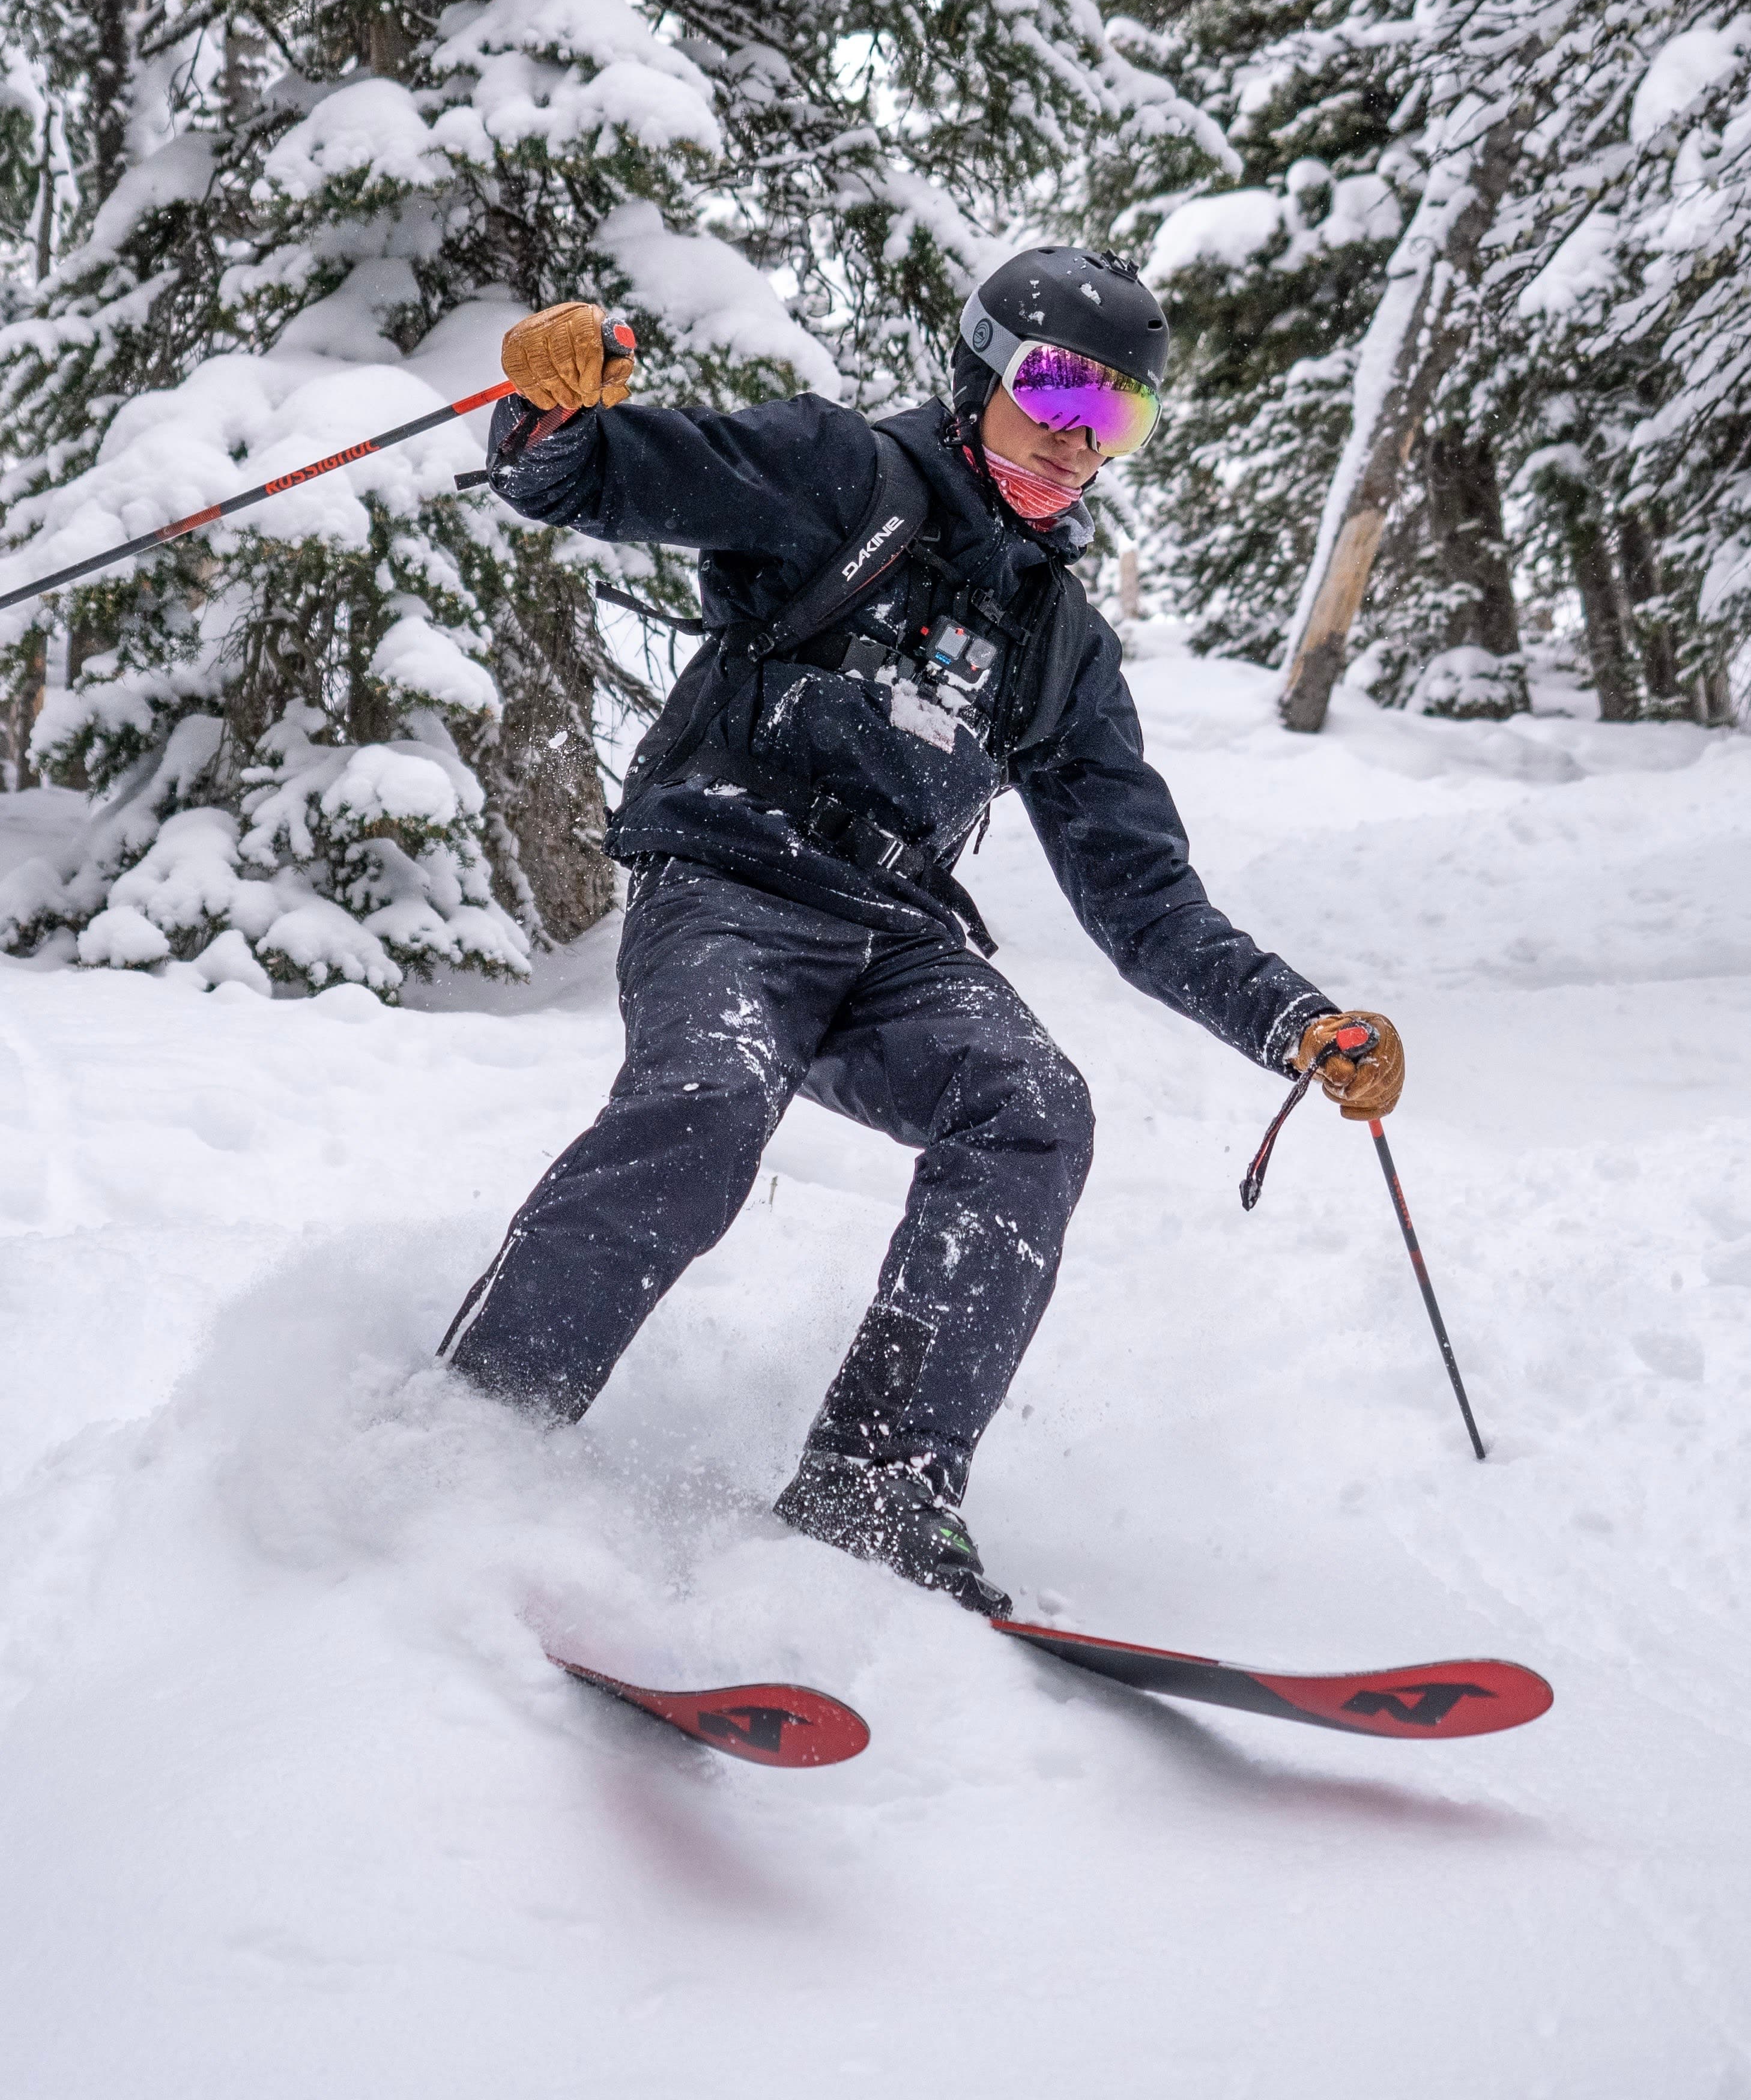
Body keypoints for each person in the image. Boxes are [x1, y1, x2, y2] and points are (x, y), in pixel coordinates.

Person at [438, 246, 1403, 1617]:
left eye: (1114, 417)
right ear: (979, 372)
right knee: (711, 1100)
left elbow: (1141, 893)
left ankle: (876, 1485)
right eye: (1056, 392)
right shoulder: (844, 477)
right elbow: (594, 477)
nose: (1076, 444)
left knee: (1032, 1108)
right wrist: (548, 412)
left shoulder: (1058, 642)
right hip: (726, 885)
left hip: (892, 937)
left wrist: (1294, 1020)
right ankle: (475, 1436)